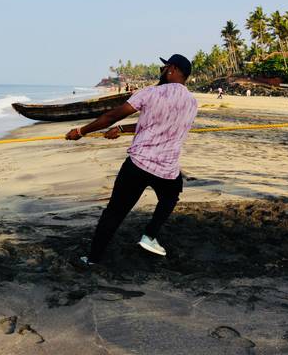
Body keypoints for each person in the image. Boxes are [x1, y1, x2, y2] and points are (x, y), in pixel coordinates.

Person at [66, 54, 198, 264]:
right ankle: (150, 235)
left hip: (138, 164)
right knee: (171, 196)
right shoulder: (192, 103)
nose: (161, 71)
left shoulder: (151, 93)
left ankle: (92, 259)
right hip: (166, 169)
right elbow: (153, 124)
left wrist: (81, 131)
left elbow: (112, 115)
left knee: (115, 212)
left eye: (163, 68)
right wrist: (120, 129)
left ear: (171, 69)